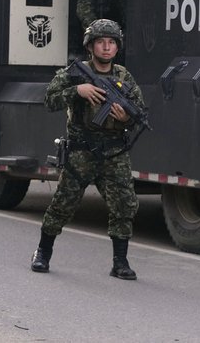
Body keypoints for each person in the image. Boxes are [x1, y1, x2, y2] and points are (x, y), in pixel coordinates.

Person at [31, 19, 144, 280]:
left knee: (125, 206)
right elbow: (48, 100)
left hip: (114, 153)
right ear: (90, 46)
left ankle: (120, 262)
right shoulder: (76, 72)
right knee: (63, 204)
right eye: (101, 42)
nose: (106, 47)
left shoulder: (124, 77)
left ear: (117, 47)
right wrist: (76, 91)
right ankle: (42, 253)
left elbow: (138, 112)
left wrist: (125, 118)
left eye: (111, 42)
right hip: (81, 151)